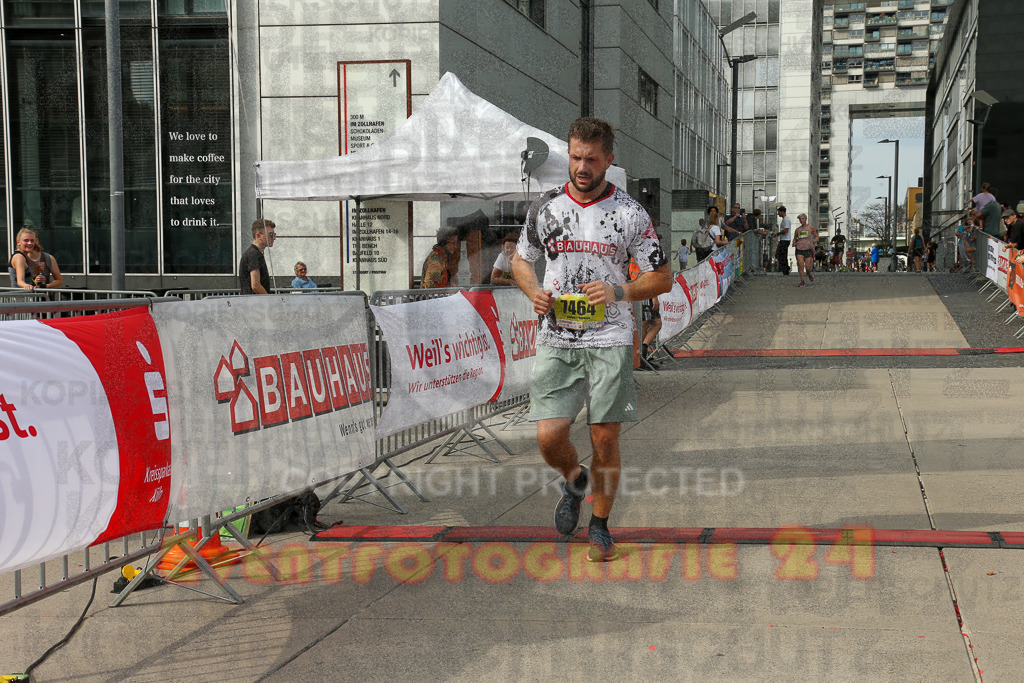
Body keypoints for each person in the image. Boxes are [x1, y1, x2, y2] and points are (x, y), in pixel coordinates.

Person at [511, 116, 671, 563]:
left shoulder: (629, 213)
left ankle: (599, 526)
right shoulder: (545, 209)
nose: (582, 167)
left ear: (608, 160)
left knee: (604, 438)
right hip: (557, 336)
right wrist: (534, 292)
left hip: (610, 336)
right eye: (576, 157)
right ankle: (575, 480)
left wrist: (620, 291)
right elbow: (521, 262)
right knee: (548, 437)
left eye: (592, 159)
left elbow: (663, 277)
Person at [9, 227, 63, 292]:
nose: (29, 243)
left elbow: (26, 280)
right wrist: (27, 286)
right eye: (26, 240)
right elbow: (20, 281)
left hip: (27, 296)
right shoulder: (19, 257)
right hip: (21, 297)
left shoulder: (24, 256)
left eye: (32, 241)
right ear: (18, 242)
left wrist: (38, 280)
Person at [240, 219, 276, 294]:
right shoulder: (253, 254)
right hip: (254, 303)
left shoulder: (255, 253)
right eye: (271, 235)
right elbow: (255, 285)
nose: (274, 238)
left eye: (274, 235)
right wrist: (270, 301)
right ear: (258, 235)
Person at [792, 213, 817, 287]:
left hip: (808, 249)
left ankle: (809, 274)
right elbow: (794, 238)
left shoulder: (810, 228)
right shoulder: (797, 230)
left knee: (808, 268)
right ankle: (802, 281)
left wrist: (813, 242)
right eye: (800, 219)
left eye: (802, 218)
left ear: (805, 219)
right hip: (799, 249)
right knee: (800, 265)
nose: (801, 220)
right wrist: (794, 243)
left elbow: (816, 236)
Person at [773, 206, 791, 275]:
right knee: (781, 254)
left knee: (781, 254)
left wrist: (778, 233)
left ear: (782, 212)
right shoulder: (784, 219)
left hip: (785, 240)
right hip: (784, 239)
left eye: (779, 212)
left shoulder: (786, 220)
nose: (778, 214)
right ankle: (785, 268)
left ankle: (785, 269)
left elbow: (786, 230)